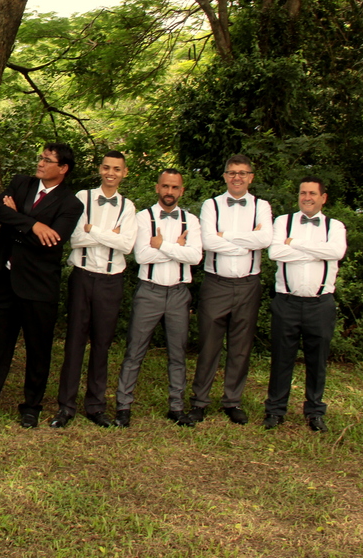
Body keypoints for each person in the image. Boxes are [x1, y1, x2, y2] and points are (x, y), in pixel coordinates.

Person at [0, 143, 82, 428]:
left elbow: (51, 241)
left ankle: (31, 406)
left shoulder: (70, 203)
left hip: (39, 285)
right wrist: (34, 225)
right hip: (4, 278)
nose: (40, 163)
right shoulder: (21, 183)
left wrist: (18, 221)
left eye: (47, 160)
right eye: (40, 157)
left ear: (62, 168)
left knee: (39, 348)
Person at [52, 150, 138, 428]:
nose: (111, 173)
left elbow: (127, 246)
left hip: (111, 281)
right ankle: (66, 406)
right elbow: (74, 238)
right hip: (83, 276)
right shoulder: (82, 198)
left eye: (117, 169)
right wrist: (109, 235)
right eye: (106, 167)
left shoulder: (129, 207)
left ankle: (96, 406)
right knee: (74, 342)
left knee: (102, 344)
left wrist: (94, 230)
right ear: (100, 169)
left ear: (124, 173)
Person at [113, 169, 202, 428]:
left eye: (174, 187)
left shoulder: (191, 220)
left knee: (177, 353)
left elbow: (195, 257)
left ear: (181, 191)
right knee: (134, 351)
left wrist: (161, 245)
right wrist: (178, 248)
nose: (169, 192)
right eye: (165, 186)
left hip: (178, 293)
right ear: (157, 188)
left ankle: (176, 407)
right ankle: (123, 407)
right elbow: (141, 257)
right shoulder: (143, 217)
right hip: (149, 291)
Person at [187, 154, 272, 425]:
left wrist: (228, 237)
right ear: (224, 176)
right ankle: (200, 401)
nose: (237, 177)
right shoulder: (211, 205)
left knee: (240, 346)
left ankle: (232, 401)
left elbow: (266, 238)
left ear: (251, 177)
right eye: (232, 172)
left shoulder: (262, 206)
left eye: (243, 173)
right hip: (216, 283)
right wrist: (248, 240)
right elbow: (209, 241)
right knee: (209, 345)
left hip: (248, 284)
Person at [263, 177, 347, 432]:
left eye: (312, 193)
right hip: (286, 301)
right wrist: (316, 250)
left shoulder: (335, 226)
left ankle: (314, 411)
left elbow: (335, 253)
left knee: (317, 360)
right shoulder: (282, 222)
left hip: (320, 304)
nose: (306, 197)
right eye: (302, 193)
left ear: (323, 197)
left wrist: (295, 244)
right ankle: (275, 411)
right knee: (281, 358)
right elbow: (275, 253)